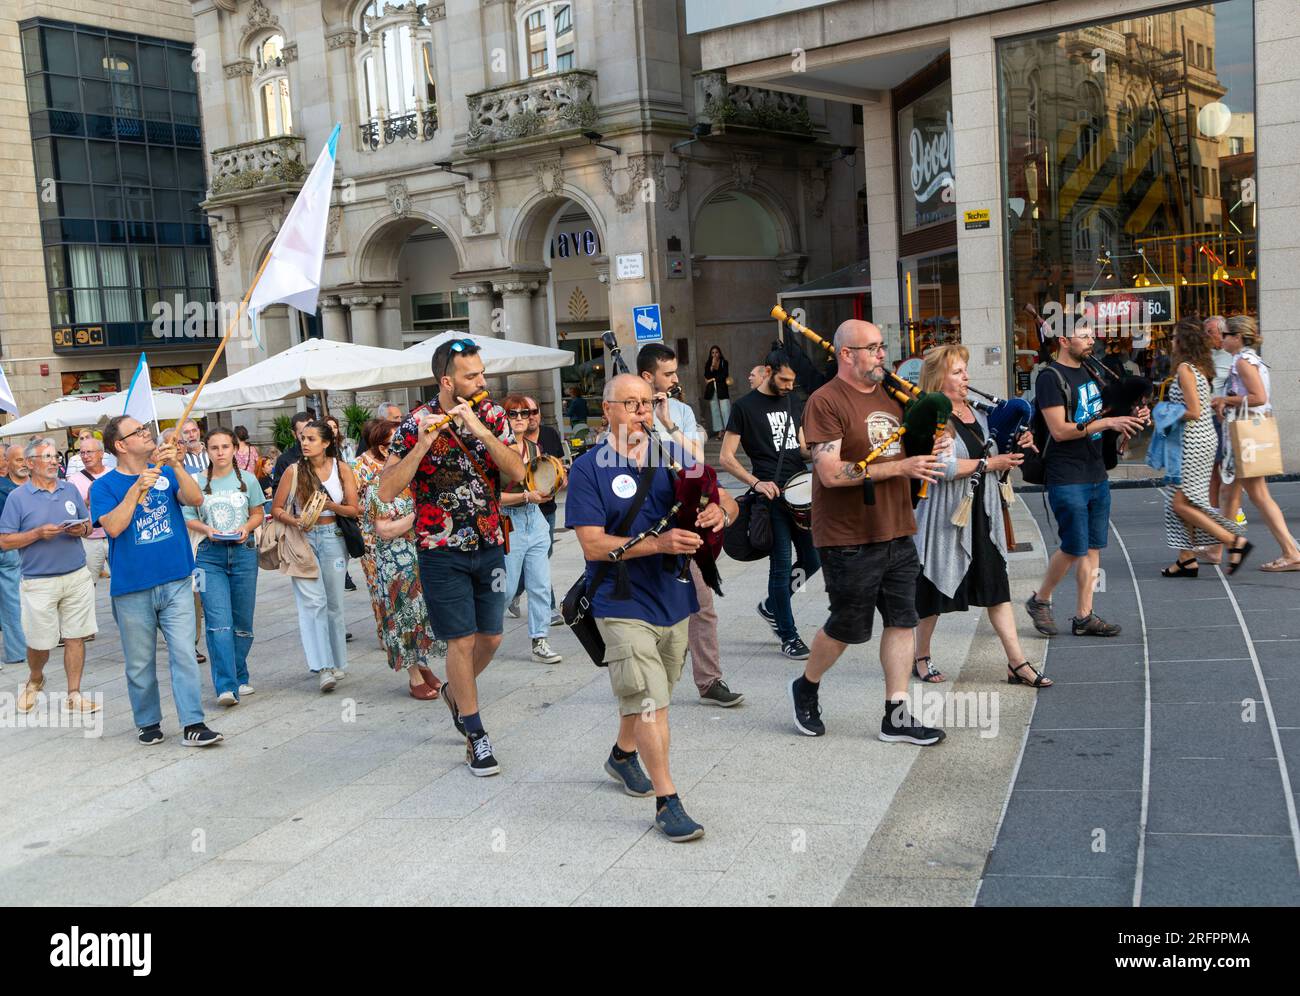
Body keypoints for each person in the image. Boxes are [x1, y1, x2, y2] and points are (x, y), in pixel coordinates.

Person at [567, 373, 736, 841]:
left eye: (648, 402)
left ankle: (622, 756)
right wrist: (658, 544)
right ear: (607, 410)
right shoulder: (588, 468)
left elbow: (723, 500)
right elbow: (594, 545)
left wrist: (719, 513)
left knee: (655, 691)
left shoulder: (671, 456)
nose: (642, 411)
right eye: (631, 403)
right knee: (649, 702)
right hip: (620, 599)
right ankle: (668, 802)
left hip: (673, 596)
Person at [789, 320, 950, 744]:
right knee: (847, 626)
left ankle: (895, 715)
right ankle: (806, 686)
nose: (882, 354)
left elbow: (914, 445)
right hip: (847, 536)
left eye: (882, 346)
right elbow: (829, 474)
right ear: (847, 354)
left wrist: (934, 443)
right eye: (873, 347)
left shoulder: (893, 395)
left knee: (902, 620)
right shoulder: (824, 402)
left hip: (897, 527)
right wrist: (901, 467)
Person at [380, 338, 525, 776]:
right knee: (460, 641)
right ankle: (476, 734)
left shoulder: (494, 415)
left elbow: (517, 472)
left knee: (492, 638)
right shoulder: (411, 425)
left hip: (489, 542)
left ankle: (456, 694)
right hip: (440, 550)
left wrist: (479, 430)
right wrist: (423, 445)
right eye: (471, 376)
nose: (481, 381)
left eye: (481, 373)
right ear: (447, 381)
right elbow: (387, 490)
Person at [911, 345, 1051, 688]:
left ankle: (1016, 663)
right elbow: (941, 467)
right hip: (947, 519)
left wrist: (1018, 441)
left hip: (982, 516)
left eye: (965, 370)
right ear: (938, 377)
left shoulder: (979, 411)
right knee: (933, 594)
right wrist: (991, 464)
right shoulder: (934, 416)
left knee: (996, 589)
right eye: (958, 372)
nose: (966, 377)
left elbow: (996, 447)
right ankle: (920, 655)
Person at [91, 417, 222, 746]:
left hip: (176, 578)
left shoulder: (165, 472)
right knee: (139, 662)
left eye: (145, 428)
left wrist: (176, 466)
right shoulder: (103, 487)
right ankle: (148, 721)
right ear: (120, 445)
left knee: (184, 653)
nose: (146, 433)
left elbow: (195, 500)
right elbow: (114, 527)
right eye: (137, 432)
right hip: (132, 587)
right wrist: (137, 488)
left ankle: (193, 722)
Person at [1024, 323, 1148, 639]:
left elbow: (1099, 415)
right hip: (1066, 474)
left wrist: (1127, 420)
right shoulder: (1050, 378)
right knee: (1073, 547)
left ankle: (1084, 615)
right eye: (1084, 335)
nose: (1091, 341)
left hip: (1094, 471)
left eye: (1092, 335)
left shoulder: (1090, 372)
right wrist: (1107, 421)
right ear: (1064, 340)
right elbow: (1060, 431)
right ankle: (1040, 600)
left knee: (1093, 546)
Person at [638, 342, 744, 707]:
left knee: (702, 604)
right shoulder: (627, 413)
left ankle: (710, 679)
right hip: (646, 524)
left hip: (685, 520)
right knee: (648, 610)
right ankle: (648, 677)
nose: (675, 379)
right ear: (647, 377)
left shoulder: (680, 412)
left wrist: (668, 424)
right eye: (668, 374)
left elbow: (697, 462)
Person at [719, 348, 820, 660]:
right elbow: (725, 457)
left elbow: (800, 448)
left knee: (812, 560)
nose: (790, 385)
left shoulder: (793, 401)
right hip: (770, 497)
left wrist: (819, 453)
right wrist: (755, 482)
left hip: (800, 491)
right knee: (780, 565)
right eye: (785, 379)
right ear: (769, 371)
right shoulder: (744, 407)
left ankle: (772, 605)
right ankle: (788, 635)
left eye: (793, 380)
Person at [0, 437, 98, 716]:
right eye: (47, 457)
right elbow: (5, 541)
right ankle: (35, 678)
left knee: (76, 636)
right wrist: (36, 534)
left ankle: (74, 694)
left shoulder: (69, 490)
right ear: (31, 464)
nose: (55, 461)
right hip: (38, 580)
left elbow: (88, 526)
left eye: (55, 456)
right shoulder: (18, 498)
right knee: (40, 642)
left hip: (76, 574)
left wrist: (81, 530)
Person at [353, 418, 445, 699]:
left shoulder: (415, 481)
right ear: (382, 450)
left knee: (421, 616)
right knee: (402, 617)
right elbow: (385, 529)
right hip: (394, 562)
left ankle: (422, 664)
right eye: (396, 444)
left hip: (420, 556)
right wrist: (419, 516)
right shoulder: (378, 487)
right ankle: (414, 675)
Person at [270, 420, 360, 692]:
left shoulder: (342, 469)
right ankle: (323, 668)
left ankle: (335, 661)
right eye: (302, 438)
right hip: (303, 540)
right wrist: (295, 520)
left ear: (326, 442)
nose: (304, 443)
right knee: (313, 603)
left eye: (311, 438)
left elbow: (354, 510)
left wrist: (328, 504)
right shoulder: (293, 471)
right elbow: (275, 508)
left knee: (333, 604)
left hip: (333, 537)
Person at [1156, 320, 1250, 578]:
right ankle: (1186, 560)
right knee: (1184, 499)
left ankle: (1233, 541)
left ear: (1183, 343)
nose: (1171, 342)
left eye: (1175, 338)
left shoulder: (1186, 370)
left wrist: (1165, 412)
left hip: (1192, 441)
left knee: (1181, 503)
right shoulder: (1199, 368)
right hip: (1200, 440)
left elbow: (1194, 411)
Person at [183, 429, 266, 706]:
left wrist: (246, 528)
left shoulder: (249, 480)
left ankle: (240, 675)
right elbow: (188, 516)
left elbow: (258, 513)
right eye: (214, 447)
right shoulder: (196, 481)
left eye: (225, 446)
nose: (220, 452)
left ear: (234, 449)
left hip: (244, 553)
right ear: (207, 450)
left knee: (243, 622)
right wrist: (207, 528)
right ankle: (225, 685)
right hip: (208, 556)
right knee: (218, 623)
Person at [1214, 315, 1300, 571]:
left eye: (1226, 334)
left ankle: (1290, 551)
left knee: (1259, 495)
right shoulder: (1251, 359)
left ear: (1238, 337)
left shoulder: (1242, 362)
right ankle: (1219, 546)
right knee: (1229, 493)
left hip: (1247, 435)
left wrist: (1225, 401)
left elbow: (1258, 397)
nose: (1222, 338)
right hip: (1246, 432)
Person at [498, 394, 563, 665]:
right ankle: (480, 633)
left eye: (525, 413)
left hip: (534, 519)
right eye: (514, 414)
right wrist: (527, 496)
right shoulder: (495, 449)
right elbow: (491, 496)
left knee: (539, 583)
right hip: (508, 520)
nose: (521, 419)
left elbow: (541, 484)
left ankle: (540, 640)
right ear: (503, 418)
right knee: (506, 588)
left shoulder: (535, 449)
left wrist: (552, 487)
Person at [68, 434, 111, 590]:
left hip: (115, 535)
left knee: (125, 579)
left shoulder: (113, 474)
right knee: (87, 585)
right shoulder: (73, 480)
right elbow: (71, 512)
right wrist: (87, 500)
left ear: (101, 453)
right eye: (82, 453)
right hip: (90, 539)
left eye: (89, 452)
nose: (85, 456)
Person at [0, 446, 29, 673]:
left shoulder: (38, 486)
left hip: (36, 549)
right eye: (18, 459)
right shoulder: (4, 489)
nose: (23, 463)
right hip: (10, 549)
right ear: (6, 463)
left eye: (25, 459)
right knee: (12, 601)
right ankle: (18, 650)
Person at [271, 409, 316, 490]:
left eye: (311, 431)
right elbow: (278, 491)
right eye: (302, 434)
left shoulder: (327, 454)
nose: (308, 437)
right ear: (294, 434)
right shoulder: (284, 460)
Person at [703, 345, 731, 439]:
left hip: (722, 389)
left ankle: (728, 430)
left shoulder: (724, 362)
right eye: (713, 353)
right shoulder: (708, 363)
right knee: (715, 410)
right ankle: (720, 431)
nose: (715, 354)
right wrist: (711, 366)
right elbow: (707, 376)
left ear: (720, 353)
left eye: (716, 352)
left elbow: (724, 374)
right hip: (712, 389)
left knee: (725, 409)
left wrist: (713, 378)